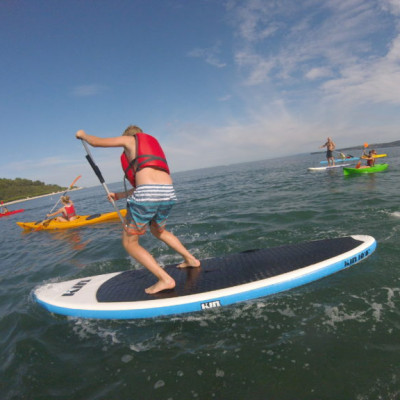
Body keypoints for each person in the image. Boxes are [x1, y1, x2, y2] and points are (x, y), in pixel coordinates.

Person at [75, 126, 200, 294]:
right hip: (168, 192)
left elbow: (96, 142)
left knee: (129, 243)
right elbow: (147, 185)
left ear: (128, 136)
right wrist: (120, 195)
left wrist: (83, 135)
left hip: (148, 194)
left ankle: (165, 279)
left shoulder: (129, 139)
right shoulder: (151, 148)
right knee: (158, 230)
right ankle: (191, 259)